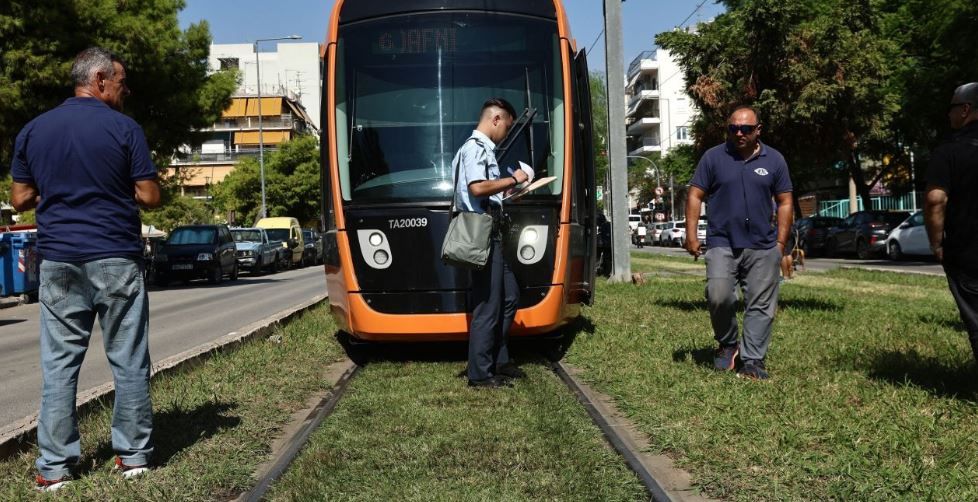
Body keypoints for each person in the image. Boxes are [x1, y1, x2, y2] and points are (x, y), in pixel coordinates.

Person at [10, 47, 162, 491]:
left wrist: (58, 186)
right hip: (116, 256)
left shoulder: (34, 130)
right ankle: (133, 457)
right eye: (120, 82)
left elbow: (19, 198)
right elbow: (150, 197)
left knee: (59, 366)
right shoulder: (124, 129)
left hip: (58, 261)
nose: (124, 90)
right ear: (98, 80)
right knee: (129, 359)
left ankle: (54, 468)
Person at [684, 106, 793, 380]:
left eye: (745, 129)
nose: (739, 133)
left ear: (759, 130)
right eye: (733, 129)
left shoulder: (775, 160)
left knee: (761, 304)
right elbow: (695, 195)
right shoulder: (713, 158)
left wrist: (781, 244)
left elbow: (785, 201)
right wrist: (691, 234)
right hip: (722, 241)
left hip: (763, 245)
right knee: (718, 294)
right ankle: (728, 343)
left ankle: (753, 360)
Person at [453, 98, 530, 388]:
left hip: (492, 232)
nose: (506, 134)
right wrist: (513, 180)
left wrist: (510, 194)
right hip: (483, 235)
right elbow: (477, 188)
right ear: (496, 119)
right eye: (507, 128)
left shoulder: (483, 150)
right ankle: (480, 374)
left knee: (508, 296)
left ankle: (499, 359)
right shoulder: (475, 148)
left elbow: (486, 193)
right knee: (488, 305)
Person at [924, 82, 978, 365]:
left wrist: (936, 243)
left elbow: (935, 200)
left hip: (967, 251)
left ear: (966, 109)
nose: (949, 115)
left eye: (952, 108)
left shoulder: (949, 152)